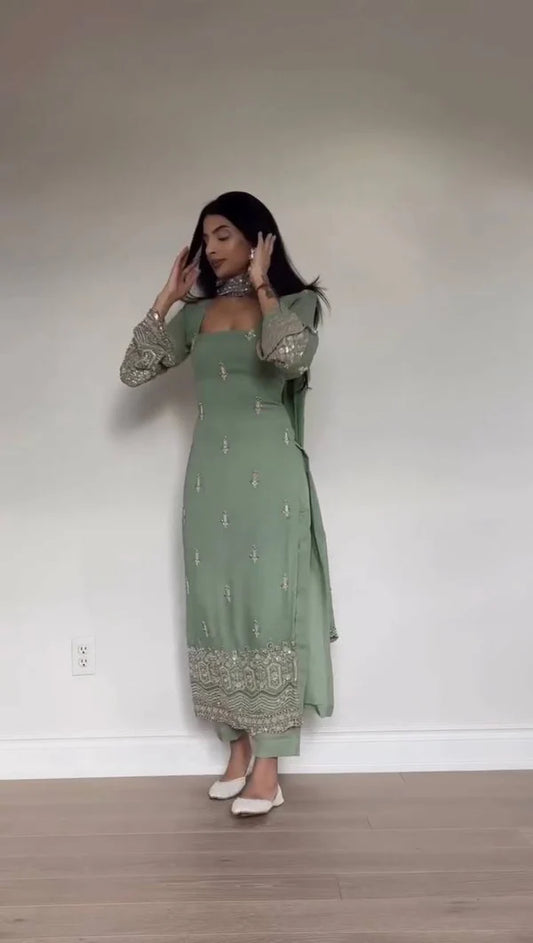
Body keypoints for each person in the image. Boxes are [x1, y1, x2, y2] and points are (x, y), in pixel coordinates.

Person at [119, 191, 338, 817]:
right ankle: (237, 748)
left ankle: (270, 764)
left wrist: (265, 289)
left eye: (223, 236)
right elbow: (134, 371)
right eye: (205, 238)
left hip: (271, 475)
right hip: (209, 478)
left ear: (257, 239)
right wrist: (166, 300)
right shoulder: (196, 316)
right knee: (217, 604)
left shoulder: (296, 305)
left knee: (269, 603)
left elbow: (289, 359)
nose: (211, 249)